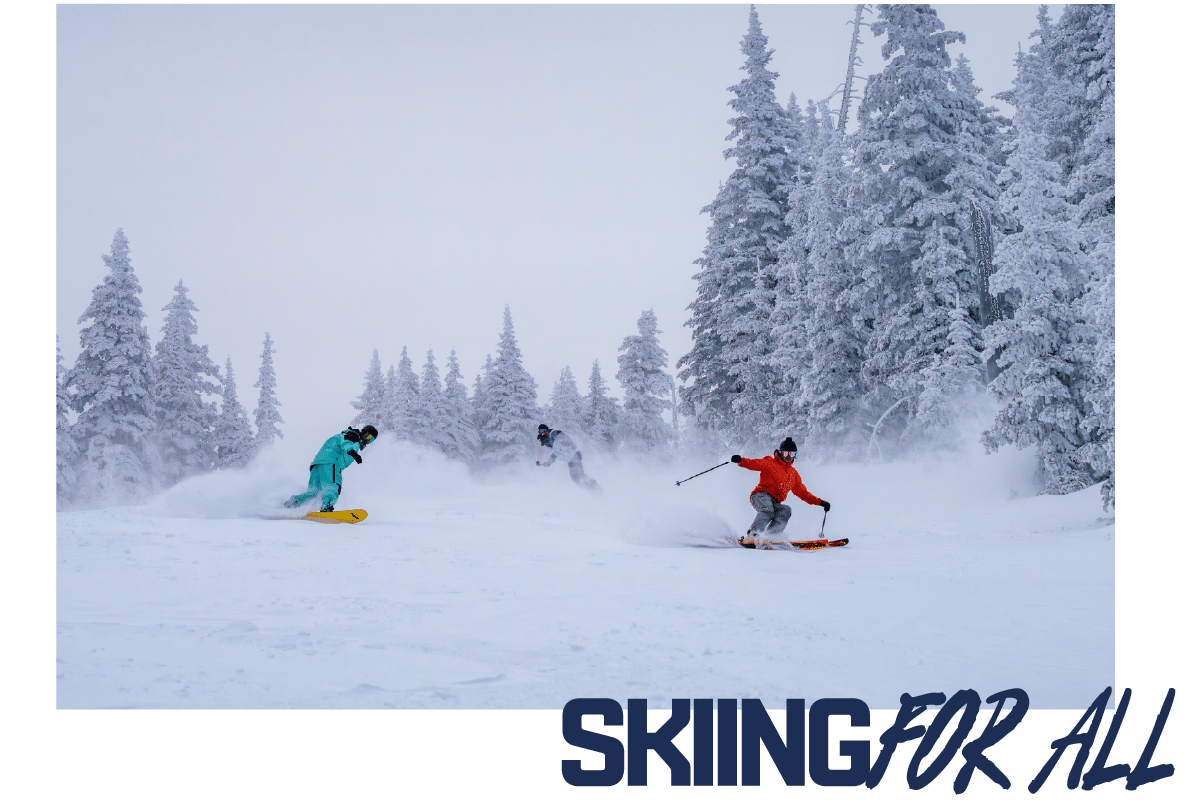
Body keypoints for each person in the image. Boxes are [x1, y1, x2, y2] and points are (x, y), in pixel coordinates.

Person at [731, 437, 830, 546]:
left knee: (785, 510)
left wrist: (821, 502)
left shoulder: (793, 474)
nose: (788, 456)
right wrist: (741, 460)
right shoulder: (770, 463)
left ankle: (771, 537)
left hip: (775, 501)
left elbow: (803, 493)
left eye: (792, 454)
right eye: (786, 453)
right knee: (767, 511)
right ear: (780, 452)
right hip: (760, 495)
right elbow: (754, 463)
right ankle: (753, 535)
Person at [285, 425, 378, 512]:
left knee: (314, 493)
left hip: (317, 465)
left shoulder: (344, 435)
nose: (367, 441)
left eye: (371, 440)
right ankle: (326, 507)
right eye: (368, 437)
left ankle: (292, 503)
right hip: (331, 463)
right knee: (333, 487)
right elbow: (347, 443)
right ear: (363, 432)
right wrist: (353, 453)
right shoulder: (353, 436)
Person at [536, 423, 601, 493]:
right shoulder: (550, 442)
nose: (543, 433)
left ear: (547, 430)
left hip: (574, 455)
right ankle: (591, 489)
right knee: (575, 478)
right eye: (541, 432)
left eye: (544, 431)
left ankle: (595, 488)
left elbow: (565, 440)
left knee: (579, 475)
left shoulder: (554, 433)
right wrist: (549, 461)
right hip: (570, 460)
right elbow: (555, 453)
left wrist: (563, 443)